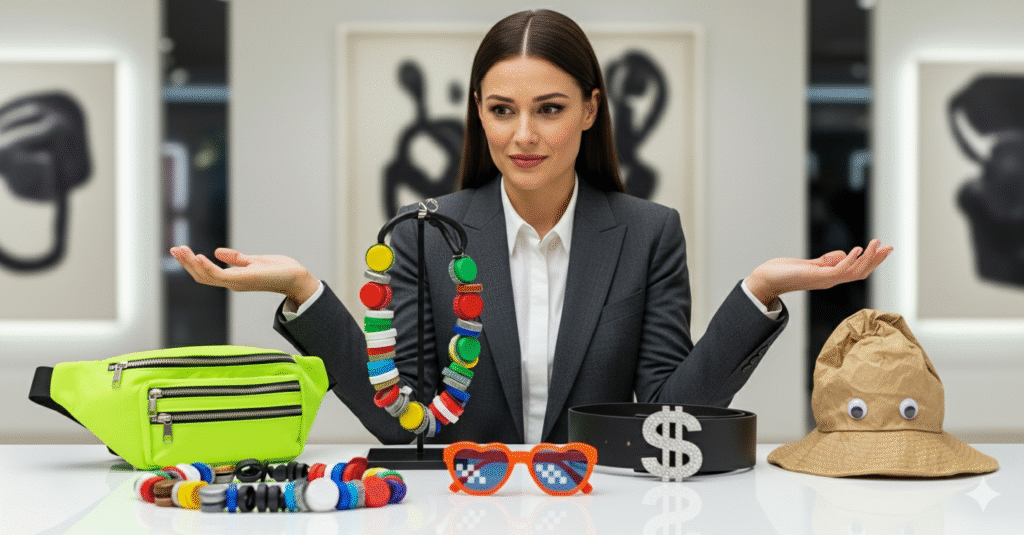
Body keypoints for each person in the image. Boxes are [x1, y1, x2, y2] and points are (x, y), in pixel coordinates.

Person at [171, 9, 892, 445]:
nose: (523, 135)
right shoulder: (422, 235)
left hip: (601, 513)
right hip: (464, 512)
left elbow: (666, 416)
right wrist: (303, 291)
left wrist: (759, 291)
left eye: (549, 108)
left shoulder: (649, 234)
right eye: (501, 110)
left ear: (590, 109)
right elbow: (403, 419)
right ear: (478, 112)